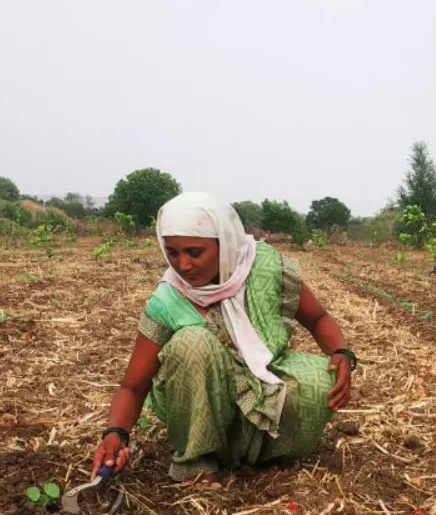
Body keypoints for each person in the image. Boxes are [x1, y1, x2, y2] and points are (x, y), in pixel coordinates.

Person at [91, 192, 355, 482]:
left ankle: (266, 455)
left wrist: (342, 353)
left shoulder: (265, 268)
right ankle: (199, 463)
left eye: (194, 252)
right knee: (192, 342)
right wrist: (115, 434)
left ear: (225, 243)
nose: (183, 265)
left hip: (260, 391)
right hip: (204, 410)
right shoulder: (168, 299)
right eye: (173, 253)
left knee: (320, 379)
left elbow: (317, 318)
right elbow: (132, 386)